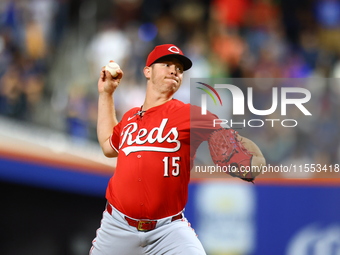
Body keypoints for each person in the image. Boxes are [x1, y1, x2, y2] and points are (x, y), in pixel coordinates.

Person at [90, 44, 265, 255]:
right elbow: (108, 146)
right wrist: (106, 93)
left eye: (179, 69)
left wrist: (253, 160)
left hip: (168, 230)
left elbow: (238, 144)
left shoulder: (191, 115)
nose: (174, 71)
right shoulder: (130, 117)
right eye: (166, 65)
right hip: (116, 227)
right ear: (147, 71)